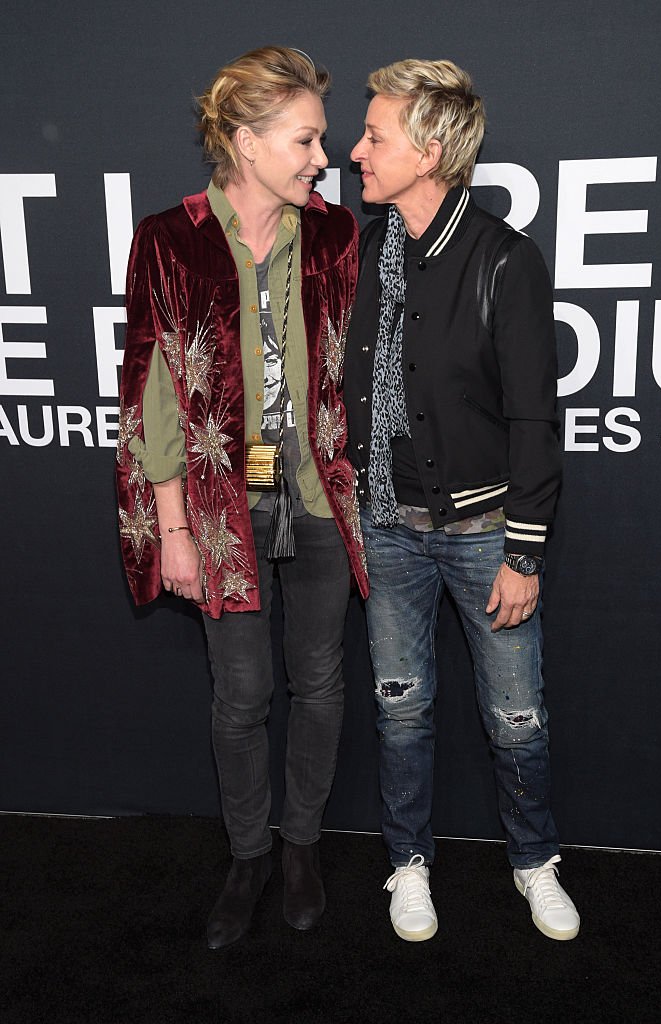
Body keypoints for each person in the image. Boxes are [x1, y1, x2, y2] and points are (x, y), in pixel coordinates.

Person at [116, 46, 368, 949]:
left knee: (322, 681)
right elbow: (150, 391)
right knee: (242, 694)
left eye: (323, 141)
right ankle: (249, 853)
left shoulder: (335, 233)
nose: (319, 157)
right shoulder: (170, 237)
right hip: (221, 511)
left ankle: (301, 847)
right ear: (244, 139)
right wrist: (172, 528)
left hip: (318, 496)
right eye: (304, 139)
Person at [345, 58, 579, 943]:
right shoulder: (367, 250)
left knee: (516, 716)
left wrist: (523, 552)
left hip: (487, 535)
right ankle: (408, 866)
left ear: (431, 149)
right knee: (399, 709)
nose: (355, 149)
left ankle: (532, 863)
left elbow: (532, 416)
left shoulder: (503, 259)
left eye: (374, 136)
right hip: (387, 530)